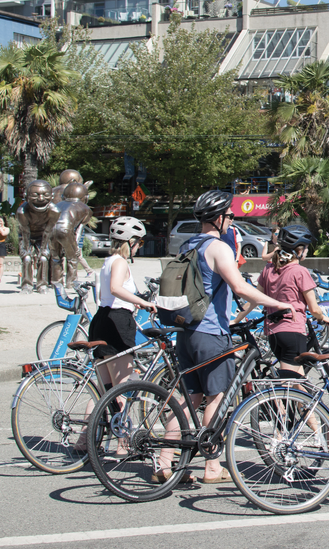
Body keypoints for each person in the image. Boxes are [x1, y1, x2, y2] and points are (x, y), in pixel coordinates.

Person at [159, 190, 294, 484]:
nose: (232, 221)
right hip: (210, 333)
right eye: (230, 217)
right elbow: (240, 288)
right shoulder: (218, 247)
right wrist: (279, 303)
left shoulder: (189, 244)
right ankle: (211, 466)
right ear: (219, 218)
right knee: (216, 398)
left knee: (189, 398)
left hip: (187, 332)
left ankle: (164, 462)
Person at [74, 217, 158, 451]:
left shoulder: (107, 261)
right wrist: (142, 302)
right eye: (139, 243)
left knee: (102, 389)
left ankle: (84, 440)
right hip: (117, 322)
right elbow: (115, 289)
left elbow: (107, 292)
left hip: (101, 319)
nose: (139, 247)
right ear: (130, 242)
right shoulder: (120, 262)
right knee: (121, 388)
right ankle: (123, 444)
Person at [236, 225, 329, 378]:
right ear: (299, 251)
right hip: (292, 331)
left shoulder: (268, 269)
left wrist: (236, 320)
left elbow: (253, 299)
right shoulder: (300, 271)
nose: (307, 251)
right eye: (306, 248)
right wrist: (322, 317)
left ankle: (301, 403)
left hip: (273, 334)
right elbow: (314, 309)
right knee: (287, 384)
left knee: (298, 381)